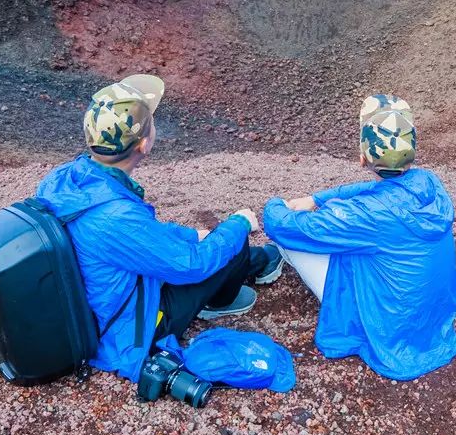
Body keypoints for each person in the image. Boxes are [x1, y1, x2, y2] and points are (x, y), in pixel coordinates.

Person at [34, 74, 283, 382]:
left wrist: (193, 235)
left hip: (97, 295)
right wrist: (239, 223)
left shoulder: (67, 179)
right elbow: (191, 265)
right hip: (127, 326)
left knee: (212, 241)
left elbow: (141, 238)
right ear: (143, 144)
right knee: (231, 242)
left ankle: (257, 261)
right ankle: (221, 301)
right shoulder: (116, 216)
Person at [262, 94, 456, 381]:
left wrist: (276, 203)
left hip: (393, 334)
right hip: (433, 323)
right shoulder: (428, 181)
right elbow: (369, 190)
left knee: (289, 240)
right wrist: (317, 198)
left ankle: (274, 264)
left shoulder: (368, 213)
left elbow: (281, 224)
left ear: (363, 156)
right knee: (355, 242)